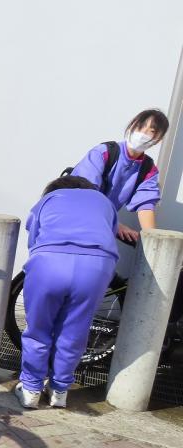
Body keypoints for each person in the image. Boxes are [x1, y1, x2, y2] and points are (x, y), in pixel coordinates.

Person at [14, 176, 119, 409]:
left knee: (38, 329)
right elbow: (109, 233)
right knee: (74, 332)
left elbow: (34, 237)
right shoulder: (104, 201)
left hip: (49, 263)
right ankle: (59, 391)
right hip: (96, 267)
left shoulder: (49, 198)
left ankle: (31, 390)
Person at [71, 109, 169, 242]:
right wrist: (113, 223)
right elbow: (84, 192)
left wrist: (153, 242)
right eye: (140, 126)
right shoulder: (103, 152)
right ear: (132, 125)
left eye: (151, 131)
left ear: (158, 140)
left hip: (98, 229)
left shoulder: (148, 169)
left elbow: (145, 206)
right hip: (72, 216)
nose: (143, 133)